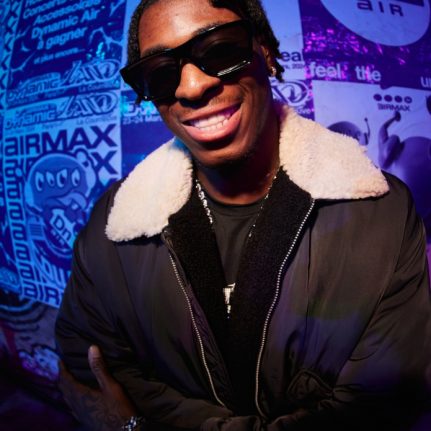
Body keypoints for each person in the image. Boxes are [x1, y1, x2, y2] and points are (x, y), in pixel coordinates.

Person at [55, 0, 431, 430]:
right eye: (159, 72)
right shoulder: (116, 220)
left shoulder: (381, 212)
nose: (191, 87)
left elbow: (384, 405)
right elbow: (89, 363)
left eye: (220, 49)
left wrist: (138, 424)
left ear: (265, 51)